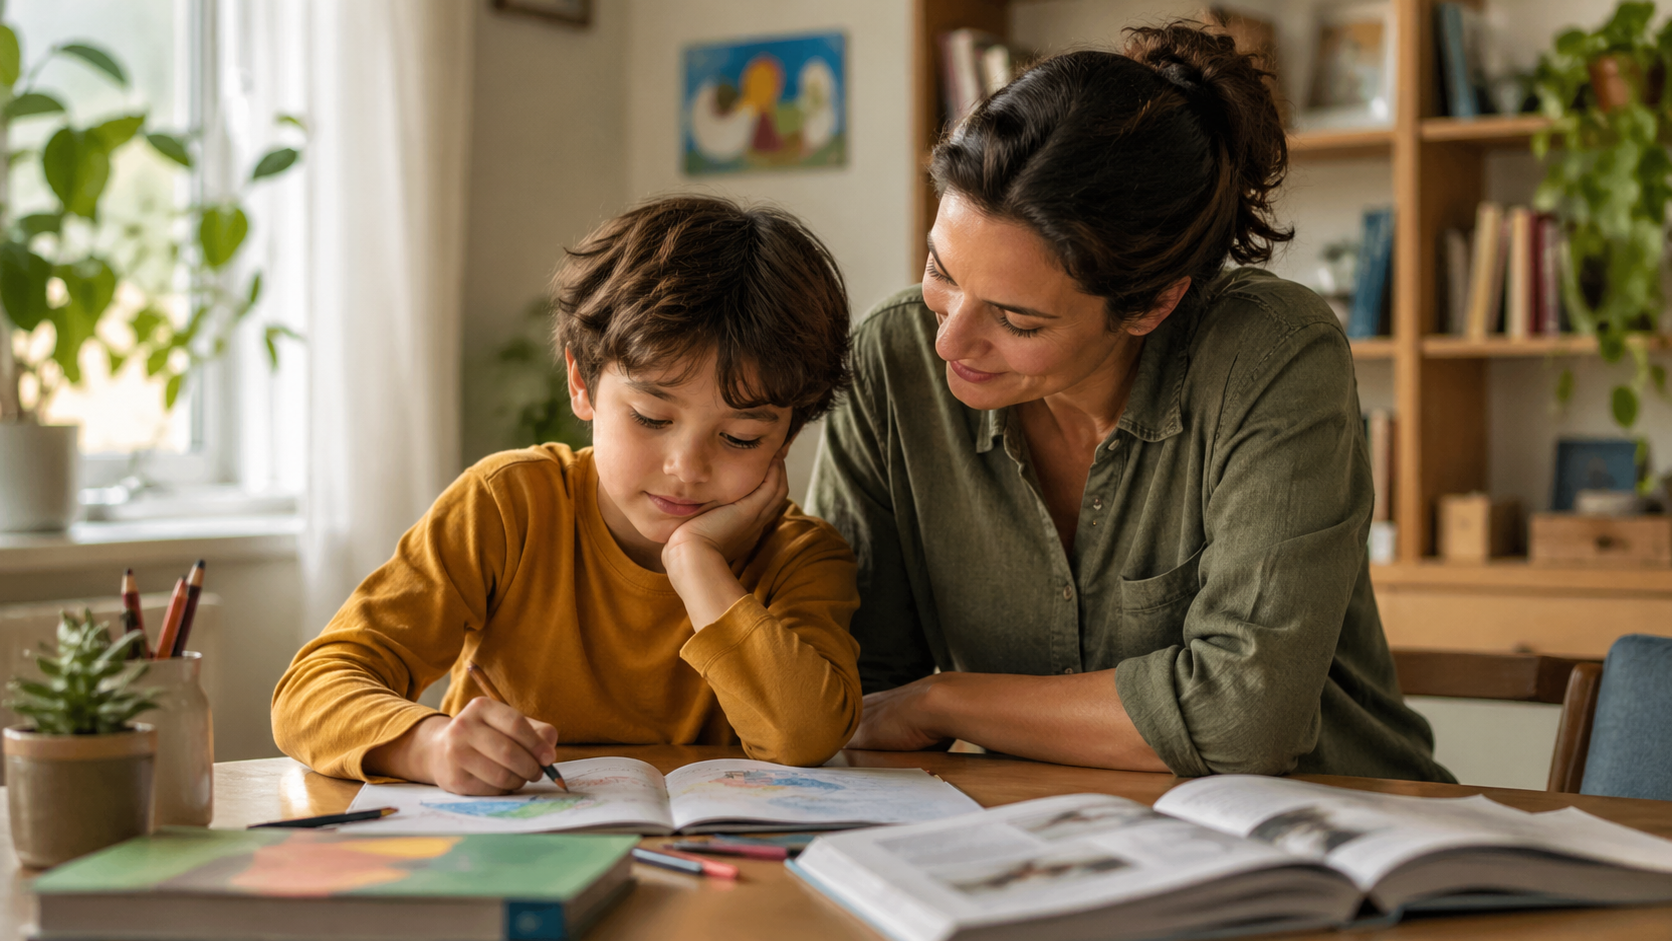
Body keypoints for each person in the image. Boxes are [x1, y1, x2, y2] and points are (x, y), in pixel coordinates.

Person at [808, 24, 1452, 782]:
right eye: (941, 271)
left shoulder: (1270, 355)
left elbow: (1242, 722)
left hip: (1337, 833)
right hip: (1048, 844)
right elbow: (853, 689)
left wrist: (943, 701)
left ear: (1151, 304)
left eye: (1018, 319)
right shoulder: (894, 360)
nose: (950, 341)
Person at [273, 196, 862, 794]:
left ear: (787, 436)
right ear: (582, 383)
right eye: (652, 418)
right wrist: (427, 744)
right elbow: (313, 689)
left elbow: (804, 737)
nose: (687, 468)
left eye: (740, 438)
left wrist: (696, 563)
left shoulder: (801, 559)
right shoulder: (507, 507)